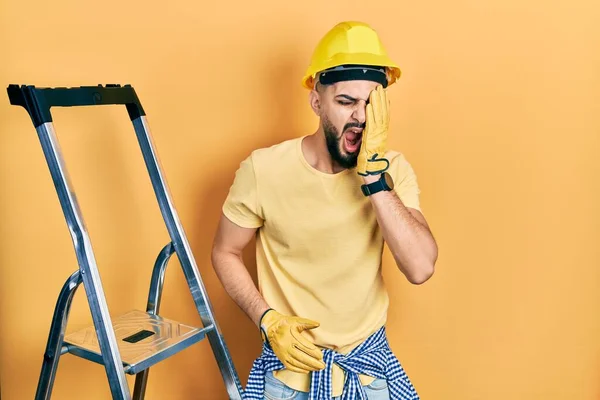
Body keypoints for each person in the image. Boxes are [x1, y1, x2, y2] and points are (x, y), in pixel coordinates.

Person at [211, 21, 438, 400]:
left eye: (371, 103)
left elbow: (420, 267)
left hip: (367, 372)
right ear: (317, 101)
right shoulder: (264, 169)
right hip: (288, 376)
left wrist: (374, 178)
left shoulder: (392, 171)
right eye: (346, 101)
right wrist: (266, 319)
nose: (361, 117)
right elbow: (224, 251)